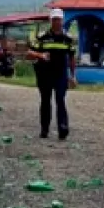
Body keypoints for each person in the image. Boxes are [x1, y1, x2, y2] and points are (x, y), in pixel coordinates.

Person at [28, 8, 77, 139]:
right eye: (54, 19)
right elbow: (29, 53)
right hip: (44, 74)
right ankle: (44, 128)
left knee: (60, 99)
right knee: (45, 100)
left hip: (60, 74)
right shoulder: (42, 37)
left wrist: (73, 76)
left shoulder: (68, 39)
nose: (56, 22)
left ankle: (63, 128)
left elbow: (72, 58)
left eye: (59, 20)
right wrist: (40, 55)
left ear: (62, 21)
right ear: (50, 20)